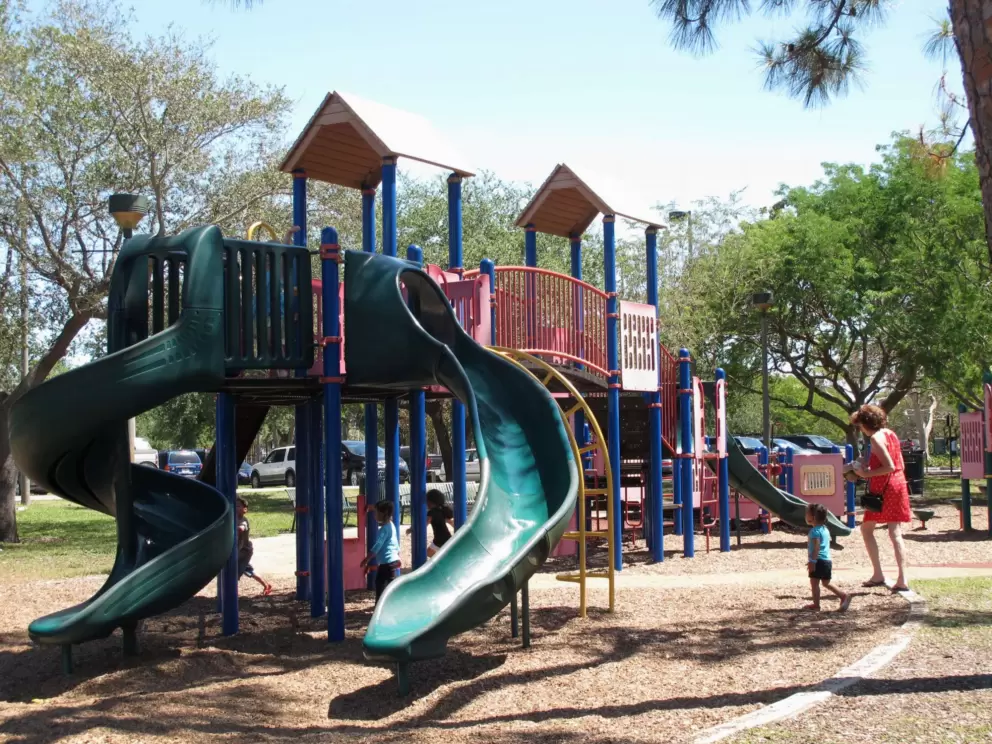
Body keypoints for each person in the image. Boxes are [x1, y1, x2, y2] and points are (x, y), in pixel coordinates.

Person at [850, 404, 911, 592]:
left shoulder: (876, 438)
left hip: (885, 487)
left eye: (860, 425)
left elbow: (889, 466)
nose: (860, 429)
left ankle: (879, 573)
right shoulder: (890, 434)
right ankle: (901, 578)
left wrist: (864, 474)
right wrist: (865, 463)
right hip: (898, 483)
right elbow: (895, 463)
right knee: (894, 531)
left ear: (866, 423)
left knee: (868, 529)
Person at [804, 502, 851, 612]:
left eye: (807, 513)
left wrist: (812, 561)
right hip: (827, 561)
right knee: (826, 583)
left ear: (813, 517)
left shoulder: (814, 531)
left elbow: (816, 547)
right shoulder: (825, 529)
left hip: (818, 561)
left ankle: (816, 605)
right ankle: (843, 595)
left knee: (814, 583)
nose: (805, 515)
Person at [361, 500, 400, 603]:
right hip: (392, 561)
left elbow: (377, 546)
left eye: (376, 512)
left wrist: (367, 559)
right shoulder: (391, 525)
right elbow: (395, 543)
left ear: (384, 513)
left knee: (380, 585)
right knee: (388, 584)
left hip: (387, 562)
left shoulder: (384, 529)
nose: (375, 515)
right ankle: (390, 605)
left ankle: (380, 607)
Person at [236, 497, 273, 596]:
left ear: (245, 510)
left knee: (234, 570)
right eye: (234, 506)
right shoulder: (233, 518)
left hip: (244, 550)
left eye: (238, 506)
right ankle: (266, 585)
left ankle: (231, 593)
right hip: (239, 549)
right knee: (247, 569)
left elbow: (242, 527)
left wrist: (237, 528)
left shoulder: (243, 520)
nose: (236, 508)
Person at [426, 489, 455, 558]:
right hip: (446, 537)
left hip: (440, 539)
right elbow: (450, 522)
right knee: (432, 552)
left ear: (430, 502)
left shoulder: (431, 512)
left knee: (428, 552)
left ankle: (441, 562)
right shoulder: (441, 510)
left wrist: (413, 529)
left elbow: (425, 523)